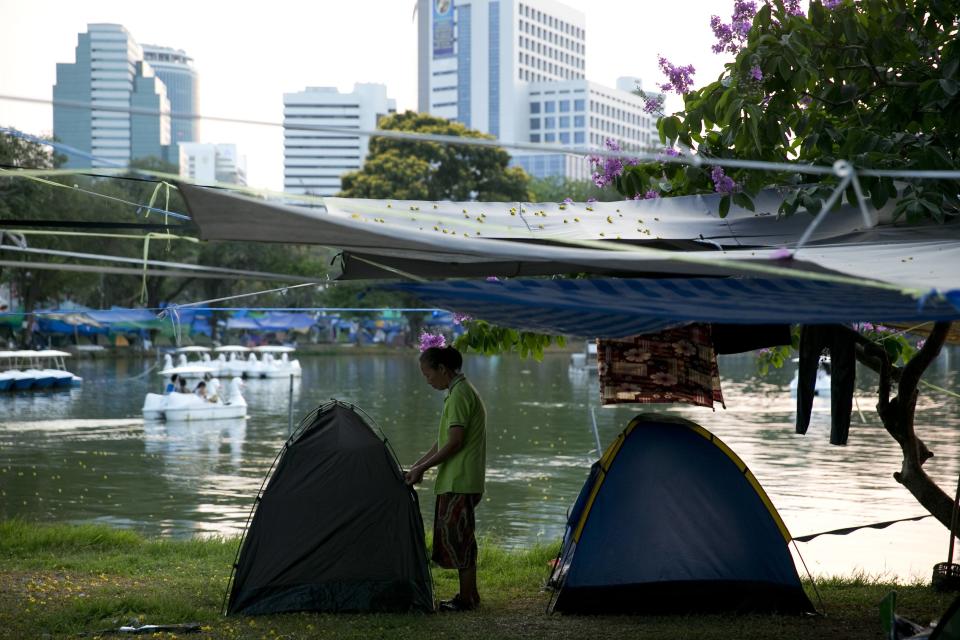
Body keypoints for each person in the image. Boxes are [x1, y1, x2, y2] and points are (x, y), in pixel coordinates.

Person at [405, 346, 486, 612]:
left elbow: (454, 443)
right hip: (458, 479)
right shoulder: (457, 392)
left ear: (443, 369)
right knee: (463, 537)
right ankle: (470, 594)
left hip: (460, 479)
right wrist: (419, 464)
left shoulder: (460, 394)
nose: (427, 380)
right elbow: (443, 440)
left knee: (458, 538)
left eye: (428, 375)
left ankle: (465, 599)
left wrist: (424, 468)